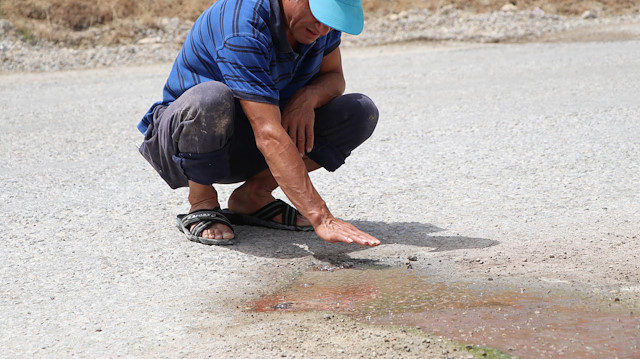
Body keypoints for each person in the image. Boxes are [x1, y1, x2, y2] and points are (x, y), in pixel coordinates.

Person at [137, 0, 380, 247]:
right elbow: (268, 133)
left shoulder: (322, 24)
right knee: (211, 97)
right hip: (190, 142)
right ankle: (202, 199)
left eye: (331, 21)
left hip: (258, 135)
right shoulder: (242, 26)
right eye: (320, 16)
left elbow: (334, 78)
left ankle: (254, 195)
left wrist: (307, 98)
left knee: (360, 111)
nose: (323, 29)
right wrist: (321, 217)